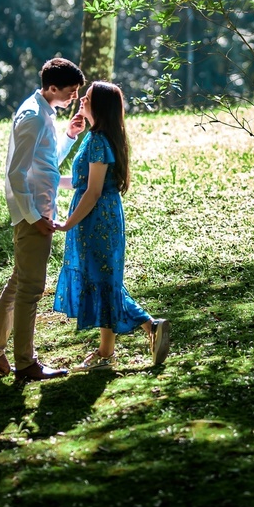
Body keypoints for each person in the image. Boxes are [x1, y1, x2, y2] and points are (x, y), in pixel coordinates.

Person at [0, 57, 86, 383]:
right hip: (33, 215)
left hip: (39, 210)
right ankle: (26, 363)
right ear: (52, 88)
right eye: (70, 91)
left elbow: (45, 163)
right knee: (30, 290)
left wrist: (68, 135)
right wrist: (35, 217)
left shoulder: (43, 113)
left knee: (18, 284)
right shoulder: (34, 118)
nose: (74, 98)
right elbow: (16, 173)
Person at [52, 80, 171, 369]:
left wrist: (68, 223)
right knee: (104, 281)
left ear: (99, 106)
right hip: (100, 216)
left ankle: (110, 352)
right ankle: (144, 331)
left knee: (104, 282)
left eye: (87, 99)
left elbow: (92, 192)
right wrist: (47, 180)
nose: (81, 102)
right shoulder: (98, 137)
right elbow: (82, 184)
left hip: (96, 221)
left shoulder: (97, 141)